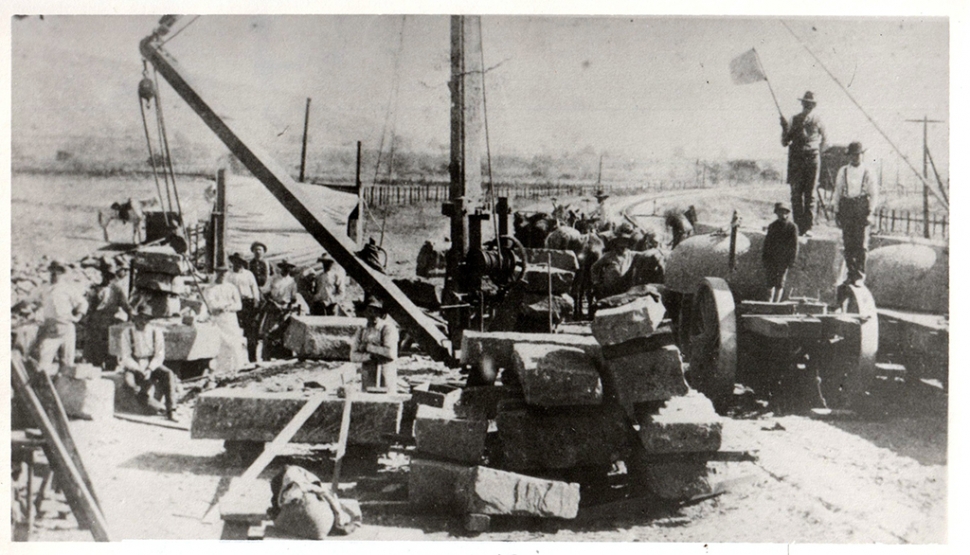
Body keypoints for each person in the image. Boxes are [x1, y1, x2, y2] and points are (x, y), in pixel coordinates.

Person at [119, 304, 179, 421]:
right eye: (140, 318)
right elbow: (125, 356)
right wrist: (137, 369)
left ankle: (171, 410)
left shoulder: (156, 332)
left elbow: (159, 355)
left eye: (146, 318)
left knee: (168, 374)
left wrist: (150, 369)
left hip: (151, 364)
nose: (143, 321)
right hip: (134, 365)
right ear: (134, 318)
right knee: (130, 385)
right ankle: (158, 407)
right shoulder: (127, 333)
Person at [832, 141, 879, 286]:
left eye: (858, 155)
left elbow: (874, 194)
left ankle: (859, 275)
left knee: (861, 244)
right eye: (852, 155)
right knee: (848, 243)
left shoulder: (868, 171)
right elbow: (838, 191)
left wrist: (870, 212)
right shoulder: (843, 171)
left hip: (861, 207)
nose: (855, 158)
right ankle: (850, 274)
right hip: (847, 207)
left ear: (862, 155)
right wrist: (836, 210)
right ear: (849, 156)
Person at [781, 91, 827, 236]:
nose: (808, 106)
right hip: (796, 160)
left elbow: (825, 140)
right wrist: (784, 128)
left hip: (812, 159)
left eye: (811, 104)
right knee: (796, 194)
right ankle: (797, 227)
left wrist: (816, 152)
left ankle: (807, 228)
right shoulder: (794, 120)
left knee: (810, 195)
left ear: (814, 105)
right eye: (806, 103)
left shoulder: (819, 120)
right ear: (802, 104)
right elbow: (785, 142)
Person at [32, 260, 89, 375]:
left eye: (59, 271)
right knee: (43, 362)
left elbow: (83, 303)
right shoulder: (43, 288)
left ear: (63, 274)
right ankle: (43, 388)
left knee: (67, 363)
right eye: (53, 271)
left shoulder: (67, 288)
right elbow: (30, 301)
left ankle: (62, 390)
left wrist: (78, 316)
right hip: (50, 328)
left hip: (67, 327)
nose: (55, 274)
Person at [85, 262, 133, 368]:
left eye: (111, 276)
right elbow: (88, 308)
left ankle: (111, 367)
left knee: (111, 352)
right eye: (106, 275)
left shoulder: (116, 289)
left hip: (110, 323)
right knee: (95, 353)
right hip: (96, 324)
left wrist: (129, 320)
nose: (108, 279)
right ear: (102, 275)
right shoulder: (95, 289)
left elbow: (126, 306)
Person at [204, 263, 248, 373]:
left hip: (230, 318)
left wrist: (228, 307)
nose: (222, 275)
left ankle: (237, 367)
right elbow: (210, 303)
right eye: (220, 272)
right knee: (220, 343)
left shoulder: (232, 287)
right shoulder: (210, 288)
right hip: (217, 319)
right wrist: (221, 306)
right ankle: (221, 369)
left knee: (234, 342)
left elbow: (239, 305)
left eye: (224, 272)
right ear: (216, 273)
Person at [350, 297, 399, 394]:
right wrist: (369, 356)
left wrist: (368, 347)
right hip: (368, 372)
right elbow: (353, 356)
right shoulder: (362, 330)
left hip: (385, 372)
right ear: (365, 313)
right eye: (369, 311)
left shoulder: (387, 329)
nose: (373, 314)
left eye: (376, 311)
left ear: (382, 313)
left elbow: (391, 353)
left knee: (387, 400)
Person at [259, 260, 303, 360]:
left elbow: (293, 297)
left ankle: (283, 357)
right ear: (281, 267)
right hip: (273, 308)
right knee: (269, 332)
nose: (286, 269)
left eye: (289, 267)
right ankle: (267, 357)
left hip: (285, 310)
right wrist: (273, 303)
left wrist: (288, 306)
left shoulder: (292, 281)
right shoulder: (273, 279)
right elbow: (264, 292)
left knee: (284, 332)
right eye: (284, 267)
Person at [762, 201, 800, 302]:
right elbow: (767, 243)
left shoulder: (792, 227)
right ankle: (769, 303)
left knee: (780, 283)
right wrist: (765, 257)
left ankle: (776, 304)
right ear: (776, 213)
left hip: (784, 260)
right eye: (779, 213)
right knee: (770, 282)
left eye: (784, 212)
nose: (782, 215)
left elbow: (794, 245)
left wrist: (792, 260)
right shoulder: (773, 226)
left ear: (787, 213)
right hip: (772, 258)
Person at [226, 252, 261, 362]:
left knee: (251, 331)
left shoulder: (248, 274)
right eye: (236, 262)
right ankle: (237, 359)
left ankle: (252, 358)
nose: (238, 264)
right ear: (233, 262)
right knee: (234, 330)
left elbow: (254, 288)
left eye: (240, 262)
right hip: (235, 304)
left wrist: (256, 302)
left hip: (248, 304)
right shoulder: (229, 275)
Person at [590, 221, 637, 300]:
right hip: (609, 288)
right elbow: (594, 267)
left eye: (625, 242)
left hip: (624, 288)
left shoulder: (631, 254)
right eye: (621, 242)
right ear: (616, 243)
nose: (623, 245)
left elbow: (644, 255)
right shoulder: (609, 255)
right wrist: (596, 282)